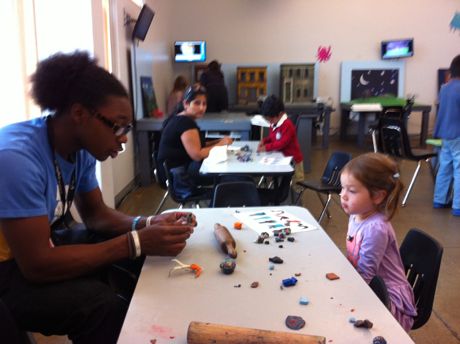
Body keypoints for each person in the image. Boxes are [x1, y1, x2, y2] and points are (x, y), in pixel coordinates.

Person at [0, 51, 196, 343]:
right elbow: (37, 264)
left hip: (36, 247)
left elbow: (96, 215)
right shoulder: (16, 158)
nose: (124, 137)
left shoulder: (79, 149)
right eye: (117, 125)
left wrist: (149, 222)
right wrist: (137, 241)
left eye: (126, 128)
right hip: (10, 267)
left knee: (136, 259)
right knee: (100, 306)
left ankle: (153, 328)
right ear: (80, 114)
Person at [340, 152, 417, 332]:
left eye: (351, 191)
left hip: (388, 299)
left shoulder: (376, 229)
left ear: (377, 196)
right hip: (369, 285)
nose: (343, 196)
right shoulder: (355, 215)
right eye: (342, 188)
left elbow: (366, 273)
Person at [157, 84, 233, 192]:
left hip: (171, 174)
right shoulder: (185, 122)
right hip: (179, 178)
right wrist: (221, 144)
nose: (202, 108)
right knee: (230, 177)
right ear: (186, 104)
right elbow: (197, 154)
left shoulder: (178, 118)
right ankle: (221, 202)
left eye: (204, 104)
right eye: (197, 103)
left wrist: (219, 141)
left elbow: (197, 145)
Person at [433, 54, 460, 216]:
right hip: (458, 134)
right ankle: (458, 206)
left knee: (445, 166)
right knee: (459, 169)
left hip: (445, 134)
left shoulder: (445, 88)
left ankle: (440, 199)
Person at [257, 95, 304, 185]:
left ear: (280, 114)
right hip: (282, 159)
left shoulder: (287, 125)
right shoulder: (274, 123)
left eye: (271, 119)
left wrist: (266, 147)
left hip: (293, 161)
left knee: (296, 185)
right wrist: (265, 141)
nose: (269, 122)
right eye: (268, 120)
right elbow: (272, 137)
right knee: (281, 183)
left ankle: (296, 198)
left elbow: (282, 143)